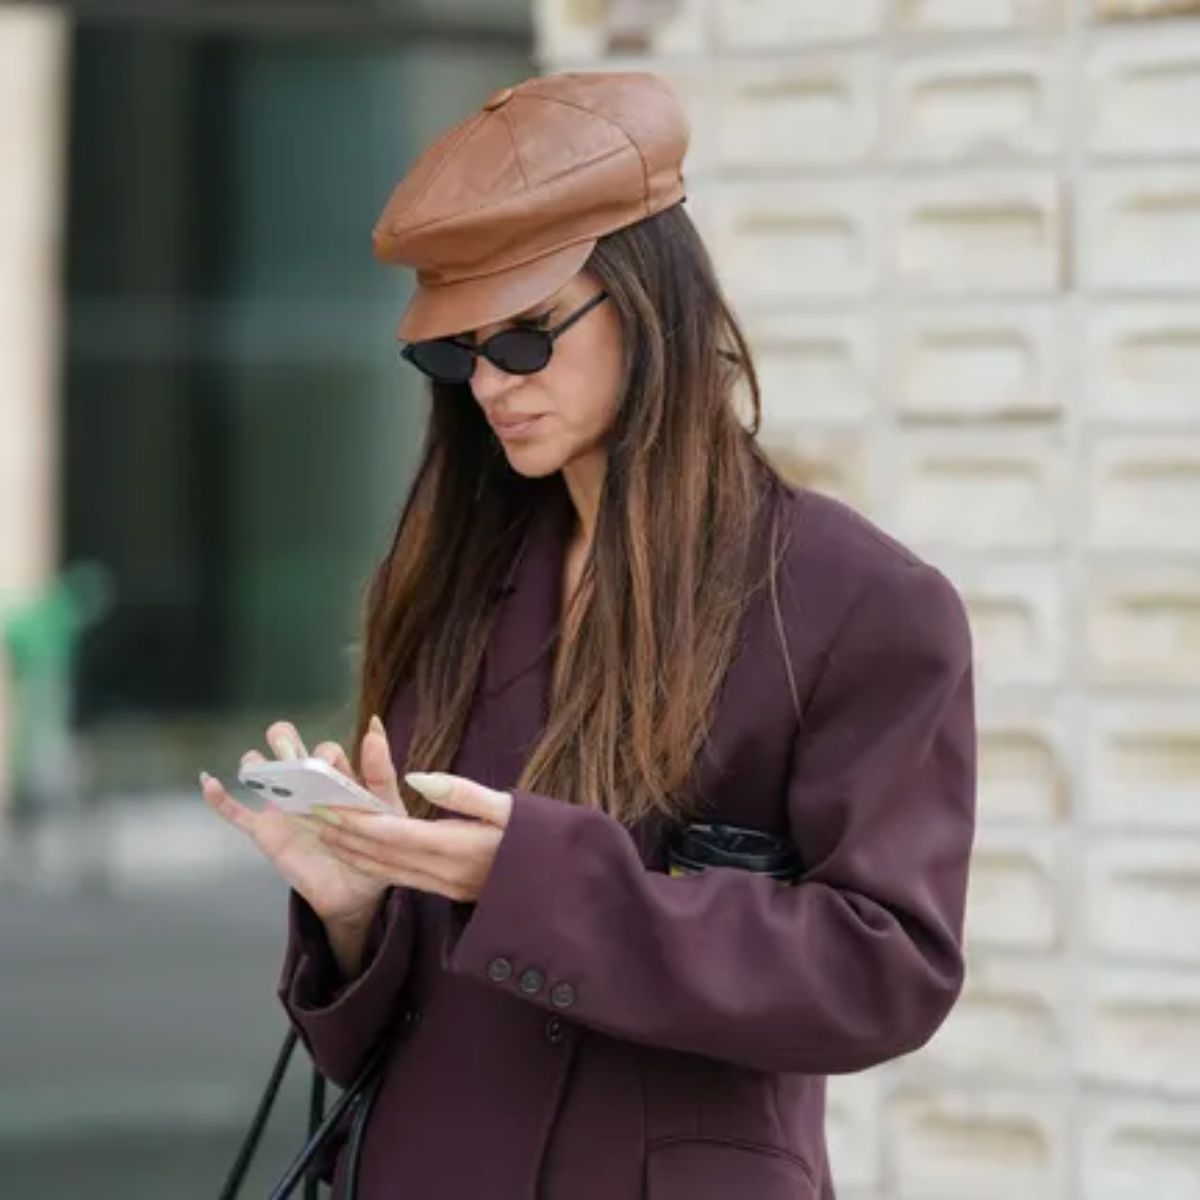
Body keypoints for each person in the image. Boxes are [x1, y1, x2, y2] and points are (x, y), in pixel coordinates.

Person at [201, 70, 976, 1200]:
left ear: (650, 301)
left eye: (525, 338)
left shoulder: (859, 602)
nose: (488, 386)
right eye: (454, 353)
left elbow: (885, 973)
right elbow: (386, 1040)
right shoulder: (456, 584)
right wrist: (357, 911)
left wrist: (539, 883)